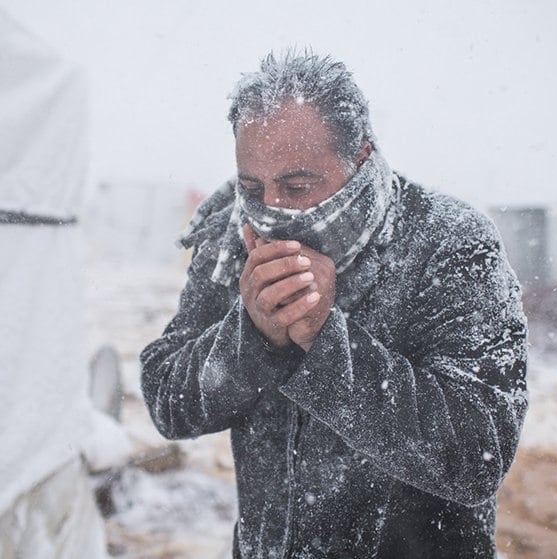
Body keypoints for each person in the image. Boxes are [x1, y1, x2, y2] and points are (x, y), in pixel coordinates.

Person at [141, 50, 528, 558]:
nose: (272, 209)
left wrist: (326, 342)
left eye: (298, 185)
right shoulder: (231, 236)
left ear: (360, 156)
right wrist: (252, 338)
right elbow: (170, 401)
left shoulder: (448, 242)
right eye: (253, 186)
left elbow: (477, 455)